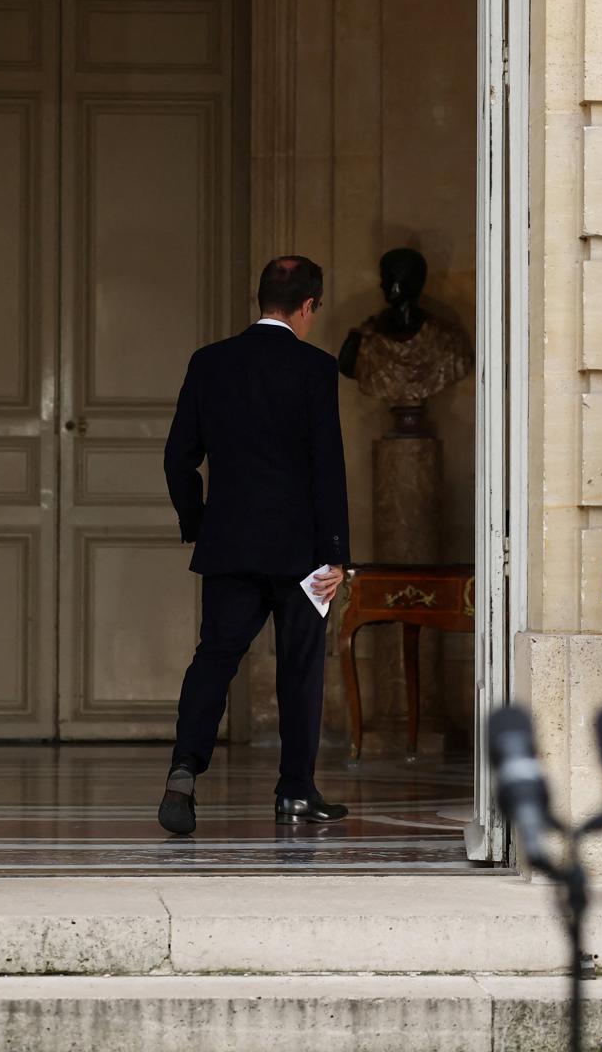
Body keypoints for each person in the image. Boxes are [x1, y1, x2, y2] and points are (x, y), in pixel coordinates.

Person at [159, 255, 350, 835]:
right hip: (302, 552)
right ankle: (295, 791)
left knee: (214, 659)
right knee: (300, 668)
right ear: (309, 305)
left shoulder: (209, 363)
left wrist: (199, 521)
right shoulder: (316, 369)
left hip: (231, 545)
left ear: (260, 298)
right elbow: (328, 468)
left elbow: (178, 458)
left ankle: (183, 774)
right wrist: (336, 553)